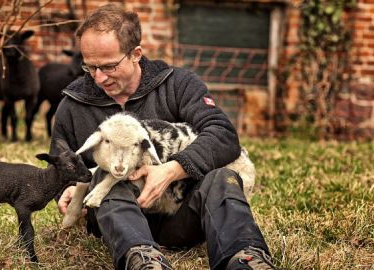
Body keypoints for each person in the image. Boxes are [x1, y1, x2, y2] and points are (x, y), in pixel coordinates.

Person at [50, 4, 275, 270]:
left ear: (135, 54)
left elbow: (223, 135)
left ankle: (245, 258)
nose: (99, 78)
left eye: (109, 66)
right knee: (103, 173)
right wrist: (64, 190)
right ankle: (143, 260)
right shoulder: (73, 104)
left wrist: (170, 170)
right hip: (115, 218)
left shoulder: (178, 85)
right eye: (90, 67)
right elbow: (60, 166)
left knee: (222, 179)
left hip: (180, 216)